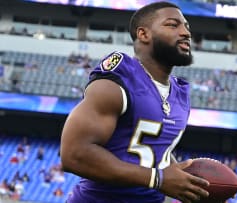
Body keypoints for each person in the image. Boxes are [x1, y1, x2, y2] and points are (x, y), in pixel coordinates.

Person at [60, 2, 210, 203]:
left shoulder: (180, 93)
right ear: (143, 34)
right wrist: (158, 179)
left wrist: (190, 185)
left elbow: (154, 152)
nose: (186, 33)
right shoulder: (119, 80)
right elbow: (74, 154)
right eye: (173, 25)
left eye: (187, 26)